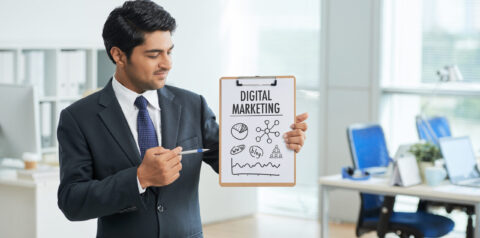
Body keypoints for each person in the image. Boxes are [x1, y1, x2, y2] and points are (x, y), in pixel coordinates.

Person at [57, 1, 308, 237]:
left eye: (169, 52)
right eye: (154, 54)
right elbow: (72, 201)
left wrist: (279, 143)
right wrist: (139, 178)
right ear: (119, 56)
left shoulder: (192, 105)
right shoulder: (78, 118)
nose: (167, 63)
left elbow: (234, 161)